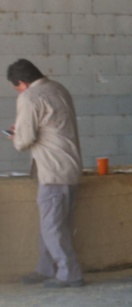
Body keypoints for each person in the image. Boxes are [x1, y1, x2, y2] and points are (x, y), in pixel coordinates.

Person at [7, 59, 84, 288]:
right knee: (54, 224)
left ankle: (69, 273)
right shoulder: (58, 88)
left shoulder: (29, 96)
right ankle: (46, 268)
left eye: (17, 88)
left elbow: (24, 141)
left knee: (51, 226)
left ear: (22, 83)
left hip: (53, 171)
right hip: (70, 168)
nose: (18, 92)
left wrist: (15, 135)